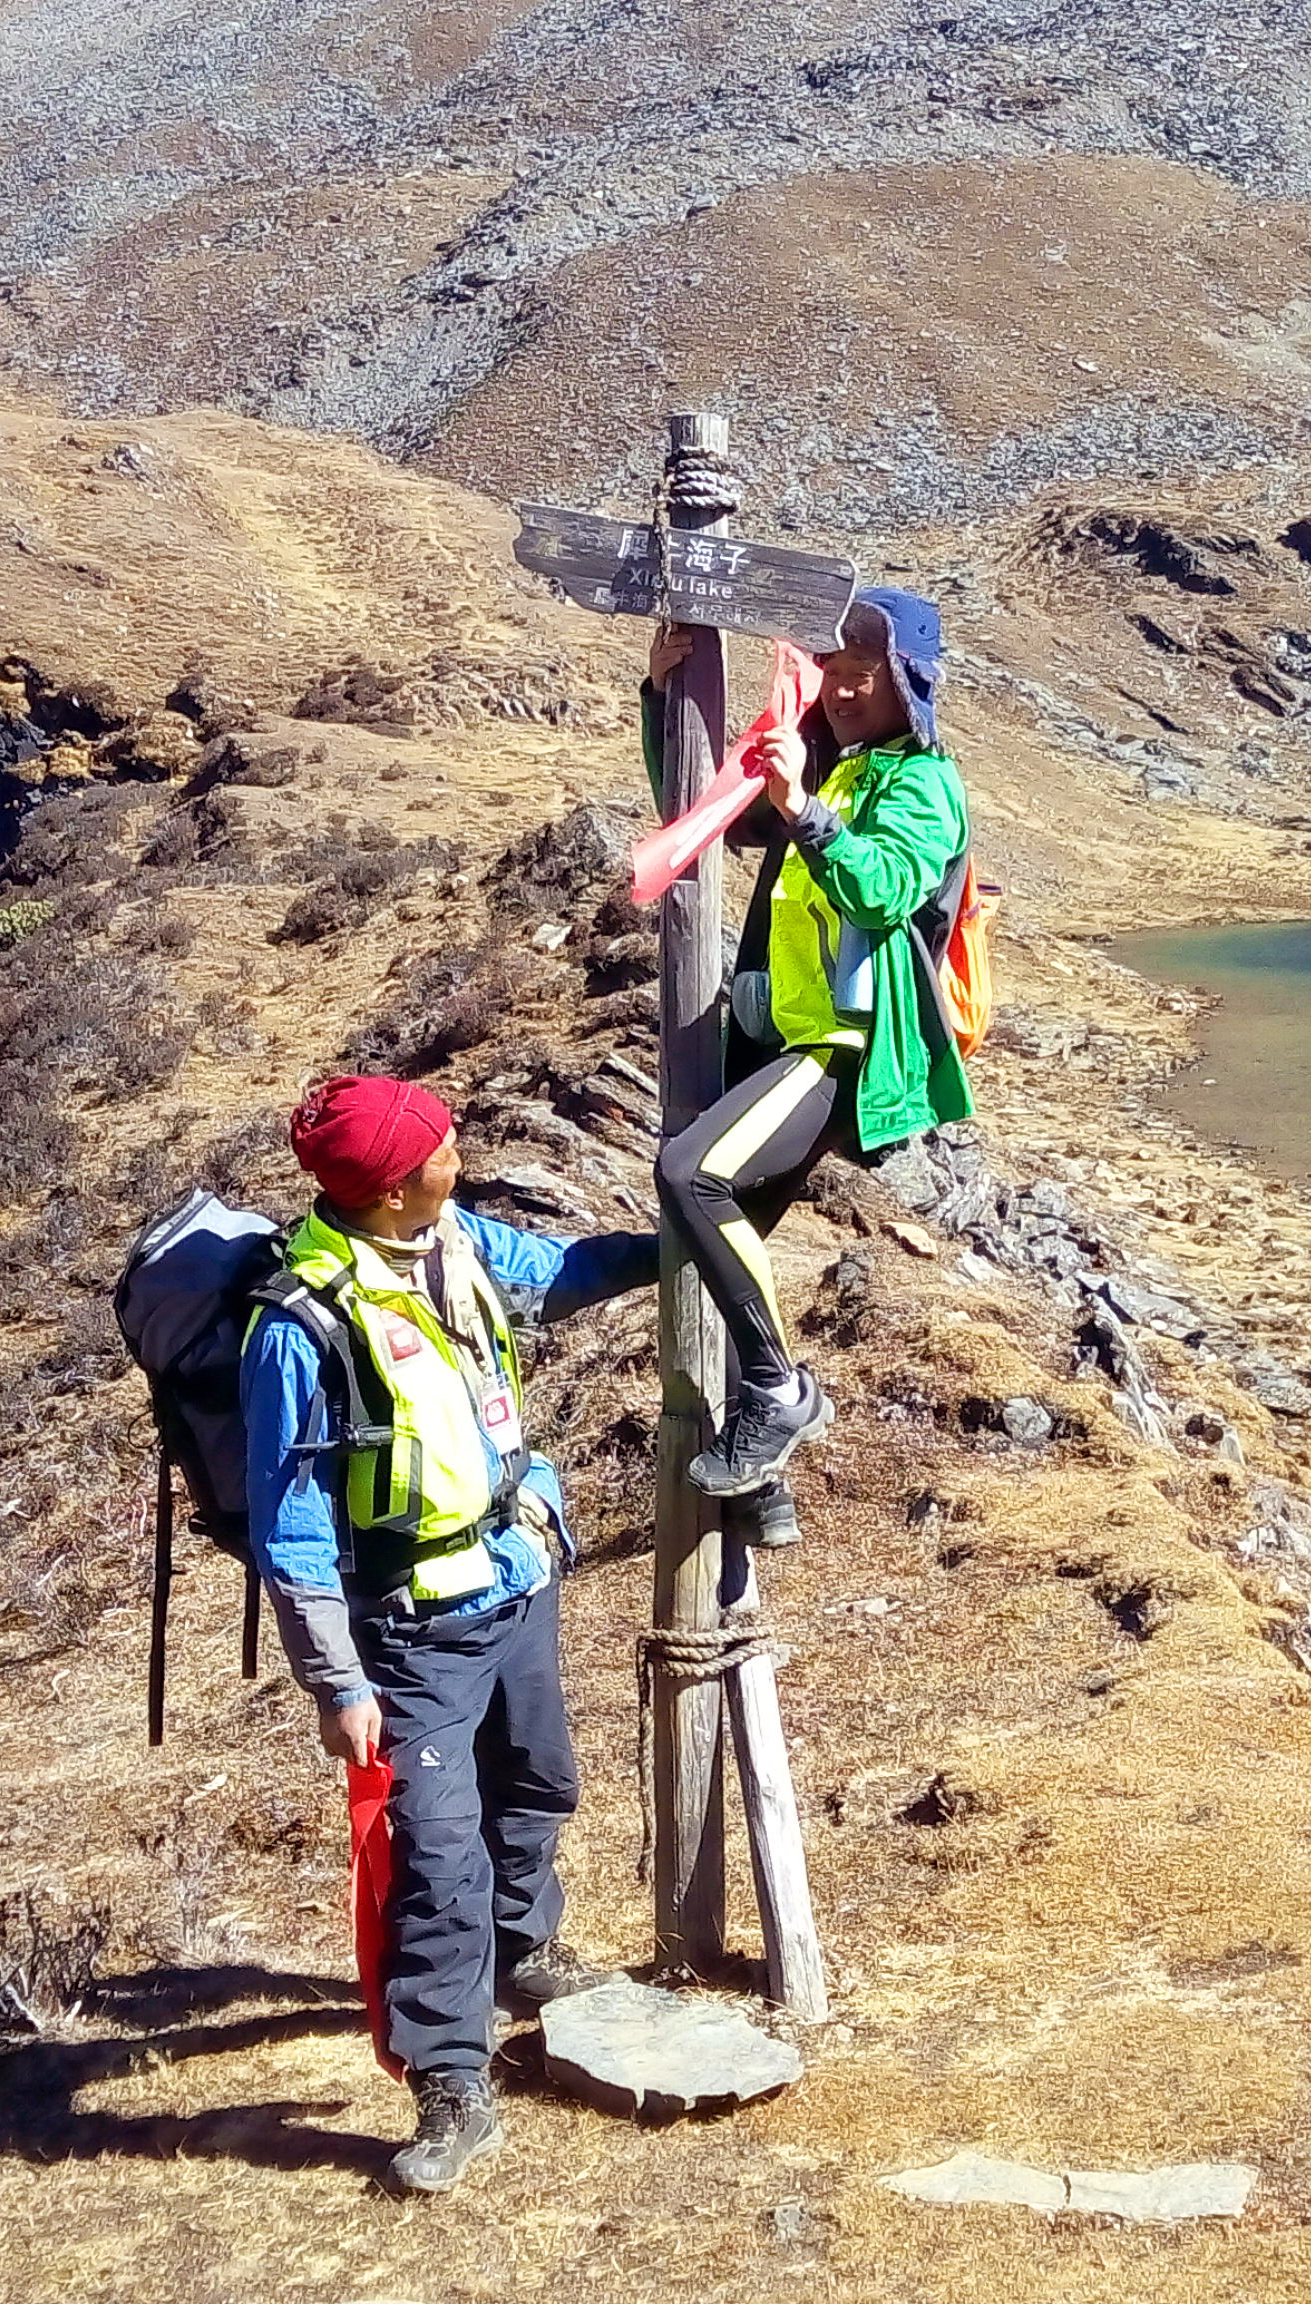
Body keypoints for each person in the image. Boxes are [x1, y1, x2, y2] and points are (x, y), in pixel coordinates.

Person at [239, 1074, 655, 2193]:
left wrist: (683, 1236)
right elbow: (293, 1532)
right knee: (437, 1852)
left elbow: (559, 1276)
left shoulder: (449, 1235)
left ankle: (525, 1954)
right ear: (385, 1194)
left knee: (537, 1783)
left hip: (517, 1574)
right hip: (413, 1629)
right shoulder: (300, 1331)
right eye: (439, 1149)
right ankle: (448, 2079)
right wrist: (336, 1685)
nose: (458, 1156)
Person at [647, 587, 977, 1503]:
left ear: (906, 683)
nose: (837, 692)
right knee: (707, 1236)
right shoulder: (834, 768)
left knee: (690, 1177)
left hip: (846, 1048)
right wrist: (661, 698)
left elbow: (880, 890)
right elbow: (700, 818)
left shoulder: (924, 785)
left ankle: (777, 1392)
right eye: (831, 674)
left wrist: (804, 809)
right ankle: (761, 1491)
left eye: (860, 676)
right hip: (784, 1038)